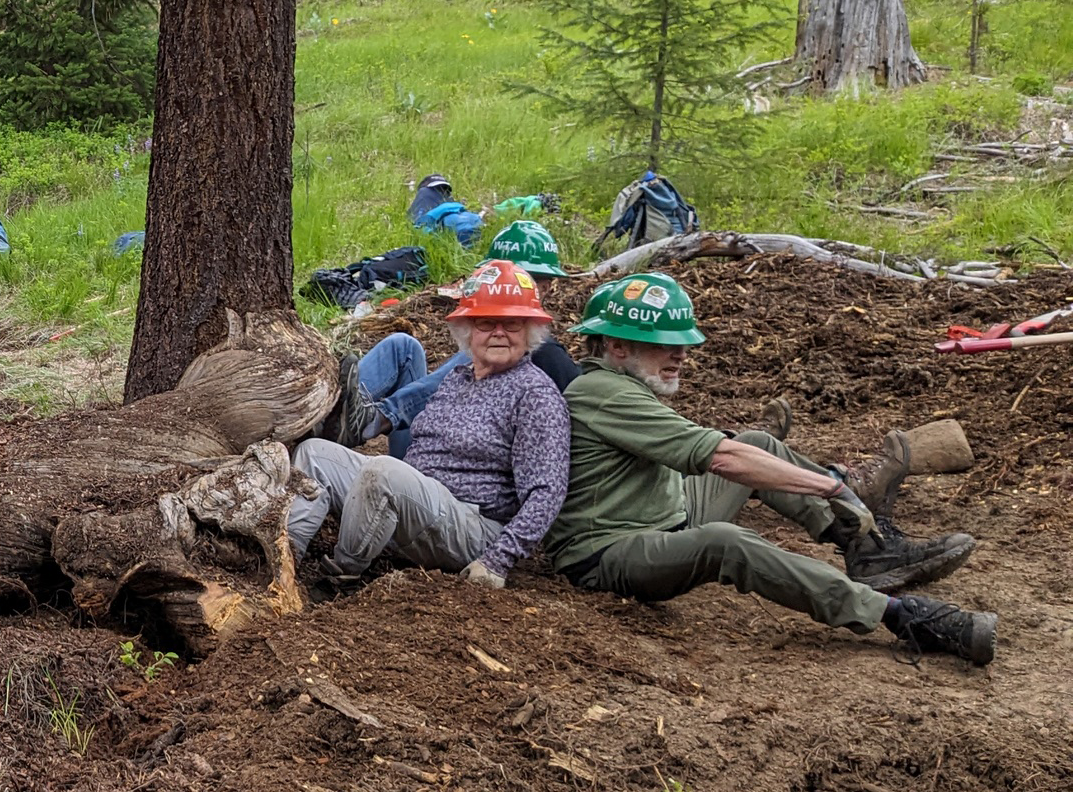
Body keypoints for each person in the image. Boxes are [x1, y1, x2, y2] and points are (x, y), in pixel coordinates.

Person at [544, 272, 994, 663]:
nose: (681, 354)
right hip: (606, 552)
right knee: (725, 542)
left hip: (667, 517)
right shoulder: (603, 392)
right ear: (618, 346)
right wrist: (830, 487)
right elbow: (721, 457)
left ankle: (867, 551)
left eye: (683, 343)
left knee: (758, 442)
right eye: (666, 344)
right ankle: (894, 614)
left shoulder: (624, 388)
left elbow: (732, 451)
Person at [291, 262, 570, 583]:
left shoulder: (535, 394)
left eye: (512, 324)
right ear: (467, 329)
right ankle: (286, 560)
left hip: (474, 527)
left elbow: (547, 491)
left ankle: (341, 578)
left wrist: (496, 561)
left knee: (382, 472)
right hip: (421, 505)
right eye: (486, 322)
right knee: (313, 455)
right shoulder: (458, 377)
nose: (498, 332)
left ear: (530, 332)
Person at [343, 220, 578, 454]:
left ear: (543, 288)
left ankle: (376, 419)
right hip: (428, 436)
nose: (502, 291)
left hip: (438, 462)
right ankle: (335, 412)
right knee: (402, 347)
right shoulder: (495, 346)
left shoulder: (543, 354)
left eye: (515, 282)